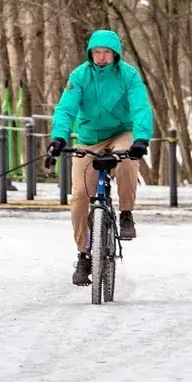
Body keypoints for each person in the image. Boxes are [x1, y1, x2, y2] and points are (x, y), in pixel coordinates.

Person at [45, 29, 153, 286]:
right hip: (89, 137)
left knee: (126, 160)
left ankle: (126, 213)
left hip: (122, 133)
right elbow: (66, 109)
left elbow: (140, 107)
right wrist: (59, 137)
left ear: (115, 54)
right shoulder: (79, 76)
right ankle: (83, 255)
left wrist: (141, 138)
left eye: (106, 52)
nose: (101, 57)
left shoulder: (129, 75)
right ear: (90, 53)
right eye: (96, 52)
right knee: (80, 194)